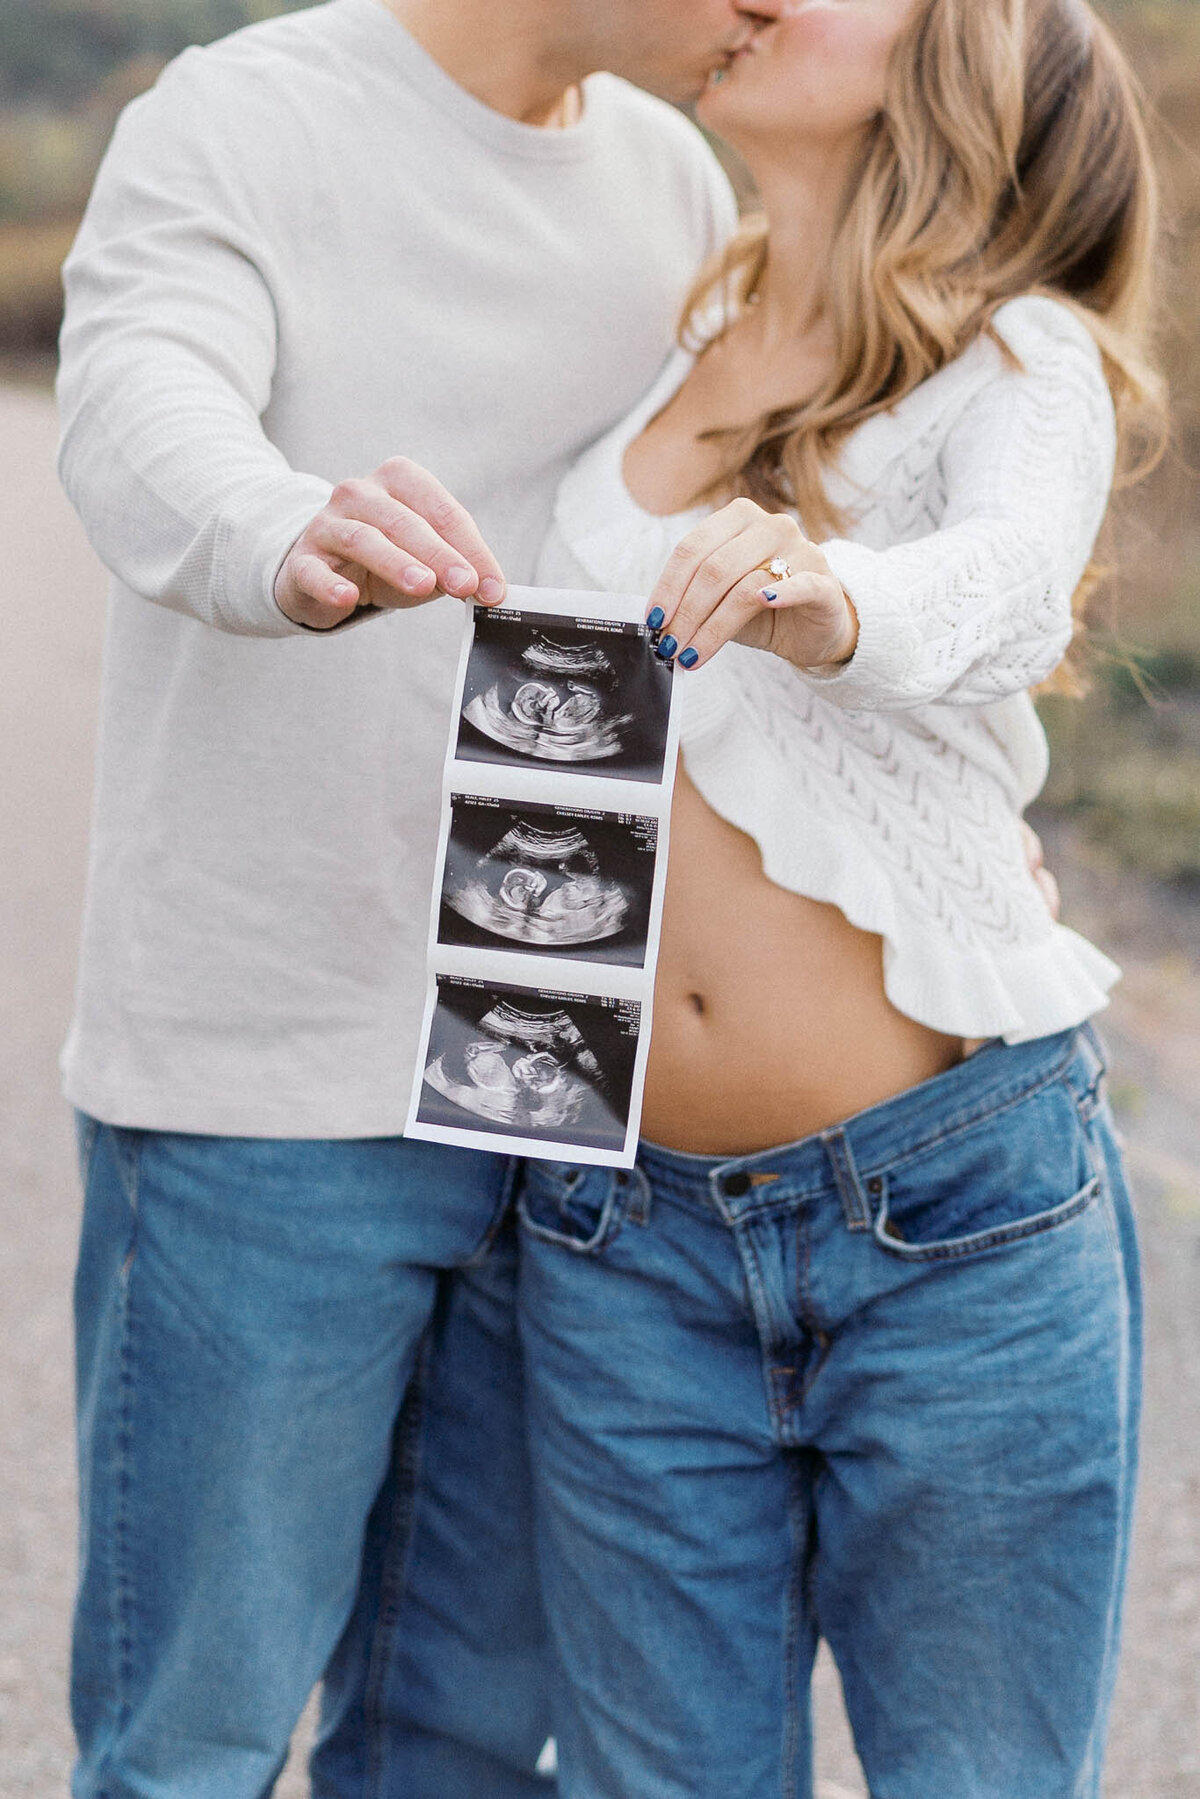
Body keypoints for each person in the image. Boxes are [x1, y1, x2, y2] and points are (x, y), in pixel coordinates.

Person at [53, 0, 783, 1792]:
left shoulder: (676, 178)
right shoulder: (243, 115)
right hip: (263, 1087)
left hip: (559, 1097)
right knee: (193, 1741)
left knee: (459, 1736)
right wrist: (282, 532)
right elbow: (142, 399)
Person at [517, 0, 1165, 1793]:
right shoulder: (679, 344)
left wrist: (837, 606)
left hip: (947, 1216)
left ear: (958, 55)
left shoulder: (1015, 361)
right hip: (619, 1232)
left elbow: (1016, 589)